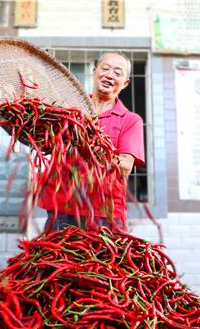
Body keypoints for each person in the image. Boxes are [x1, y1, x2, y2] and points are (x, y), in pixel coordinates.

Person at [38, 52, 145, 231]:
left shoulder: (130, 120)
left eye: (118, 73)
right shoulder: (69, 110)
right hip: (62, 205)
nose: (110, 75)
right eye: (105, 69)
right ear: (94, 72)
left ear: (125, 83)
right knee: (57, 257)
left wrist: (89, 145)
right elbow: (47, 144)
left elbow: (125, 165)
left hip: (104, 211)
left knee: (102, 258)